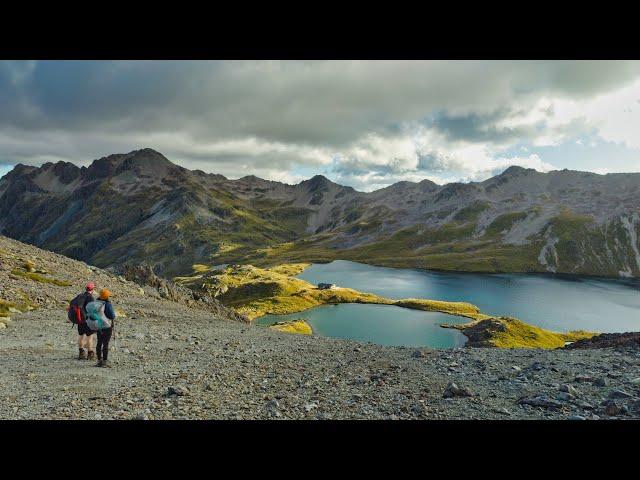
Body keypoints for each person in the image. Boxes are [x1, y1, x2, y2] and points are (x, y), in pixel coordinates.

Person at [94, 288, 116, 368]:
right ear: (107, 296)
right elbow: (112, 315)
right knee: (105, 343)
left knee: (99, 342)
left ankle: (99, 360)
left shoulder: (96, 302)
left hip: (98, 325)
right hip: (107, 326)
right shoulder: (107, 304)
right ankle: (105, 361)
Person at [76, 282, 97, 360]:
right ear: (92, 289)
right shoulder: (90, 298)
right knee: (89, 337)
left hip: (80, 320)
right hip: (87, 320)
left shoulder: (80, 296)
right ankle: (90, 354)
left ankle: (81, 353)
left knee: (81, 335)